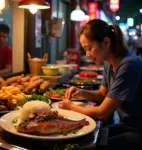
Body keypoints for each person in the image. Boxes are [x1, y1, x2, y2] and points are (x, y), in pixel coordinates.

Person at [58, 19, 142, 149]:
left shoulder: (129, 65)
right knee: (89, 136)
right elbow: (103, 93)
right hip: (128, 125)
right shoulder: (109, 61)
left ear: (106, 42)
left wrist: (71, 107)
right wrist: (82, 93)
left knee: (90, 146)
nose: (87, 54)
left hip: (138, 130)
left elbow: (102, 113)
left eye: (89, 48)